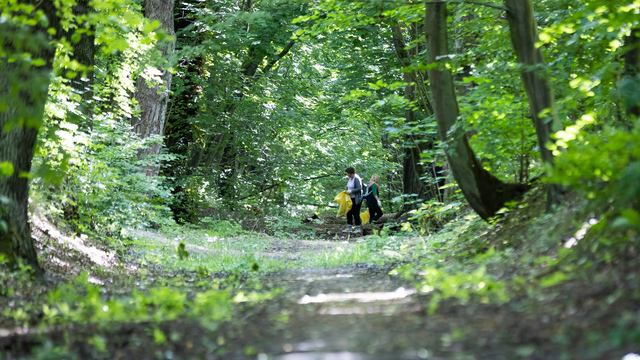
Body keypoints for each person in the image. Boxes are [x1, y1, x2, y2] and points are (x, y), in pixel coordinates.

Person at [342, 167, 363, 234]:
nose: (348, 175)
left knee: (356, 212)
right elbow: (348, 186)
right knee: (349, 212)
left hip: (356, 198)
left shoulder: (356, 178)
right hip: (350, 198)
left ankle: (358, 228)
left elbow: (359, 188)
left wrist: (351, 191)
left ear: (352, 173)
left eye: (349, 174)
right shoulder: (350, 179)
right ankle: (349, 227)